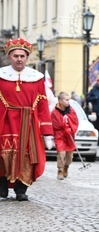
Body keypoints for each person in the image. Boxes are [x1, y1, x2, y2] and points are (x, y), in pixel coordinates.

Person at [0, 38, 54, 201]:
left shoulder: (36, 78)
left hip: (28, 124)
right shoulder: (1, 76)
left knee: (28, 157)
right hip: (6, 122)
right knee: (3, 154)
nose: (19, 59)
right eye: (15, 56)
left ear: (27, 58)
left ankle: (21, 189)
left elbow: (43, 105)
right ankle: (2, 185)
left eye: (22, 56)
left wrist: (47, 133)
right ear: (10, 57)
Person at [51, 92, 79, 180]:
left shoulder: (71, 111)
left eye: (68, 100)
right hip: (60, 136)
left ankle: (66, 166)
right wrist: (63, 127)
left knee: (69, 156)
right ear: (60, 101)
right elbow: (54, 124)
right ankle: (60, 169)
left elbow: (75, 122)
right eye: (66, 100)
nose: (68, 102)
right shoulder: (54, 112)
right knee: (61, 153)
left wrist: (71, 129)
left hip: (69, 136)